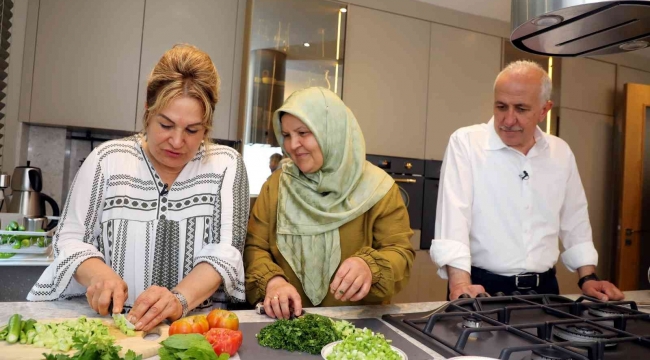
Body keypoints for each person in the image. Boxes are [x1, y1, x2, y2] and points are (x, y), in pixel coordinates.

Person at [28, 45, 249, 331]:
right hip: (108, 325)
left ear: (207, 127)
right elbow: (69, 238)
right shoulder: (107, 160)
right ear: (148, 111)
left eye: (192, 130)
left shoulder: (226, 165)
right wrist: (99, 275)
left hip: (194, 329)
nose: (177, 141)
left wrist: (179, 299)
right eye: (166, 125)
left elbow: (226, 252)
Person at [430, 60, 624, 301]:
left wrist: (588, 276)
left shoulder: (560, 152)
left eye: (521, 109)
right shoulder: (467, 143)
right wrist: (459, 283)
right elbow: (454, 218)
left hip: (545, 289)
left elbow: (575, 218)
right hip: (481, 289)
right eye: (501, 107)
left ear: (544, 110)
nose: (508, 120)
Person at [245, 87, 415, 319]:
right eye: (286, 135)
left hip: (359, 329)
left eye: (303, 133)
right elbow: (255, 248)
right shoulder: (276, 186)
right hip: (286, 323)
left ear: (332, 130)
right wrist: (273, 282)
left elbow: (400, 254)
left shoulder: (379, 189)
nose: (293, 145)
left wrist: (369, 268)